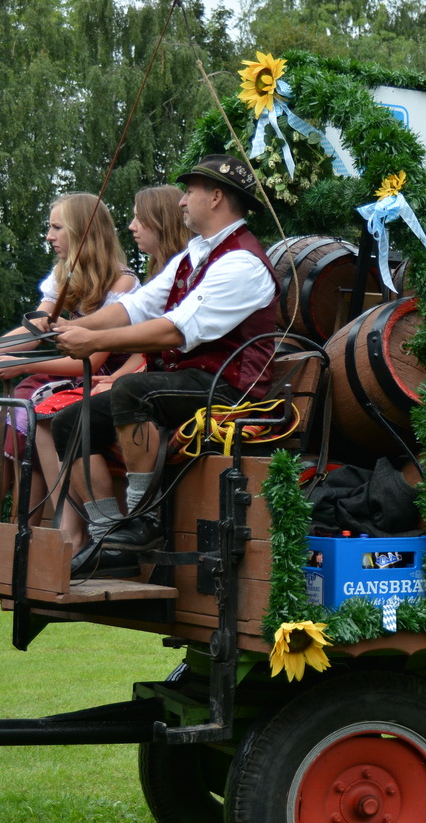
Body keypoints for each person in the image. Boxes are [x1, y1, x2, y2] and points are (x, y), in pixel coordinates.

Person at [48, 155, 279, 578]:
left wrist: (92, 340)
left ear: (216, 196)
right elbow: (137, 307)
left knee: (133, 390)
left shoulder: (242, 263)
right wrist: (68, 328)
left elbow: (175, 330)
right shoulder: (195, 253)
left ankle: (144, 521)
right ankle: (108, 536)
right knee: (69, 421)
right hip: (189, 381)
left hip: (229, 389)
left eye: (189, 192)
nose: (181, 202)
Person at [0, 192, 140, 538]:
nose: (49, 236)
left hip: (95, 379)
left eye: (57, 227)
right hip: (60, 373)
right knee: (6, 412)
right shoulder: (64, 276)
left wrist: (18, 364)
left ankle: (67, 526)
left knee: (40, 408)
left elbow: (91, 361)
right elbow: (36, 328)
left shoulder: (123, 283)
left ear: (82, 232)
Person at [129, 184, 189, 282]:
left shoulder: (189, 274)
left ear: (165, 222)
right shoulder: (161, 273)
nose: (131, 226)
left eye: (140, 219)